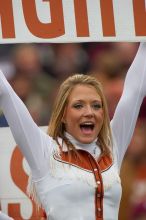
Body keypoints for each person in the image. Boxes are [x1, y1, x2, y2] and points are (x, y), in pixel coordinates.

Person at [0, 42, 146, 220]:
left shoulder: (112, 145)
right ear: (62, 114)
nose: (89, 112)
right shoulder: (45, 151)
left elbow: (135, 90)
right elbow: (6, 93)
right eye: (78, 106)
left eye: (96, 105)